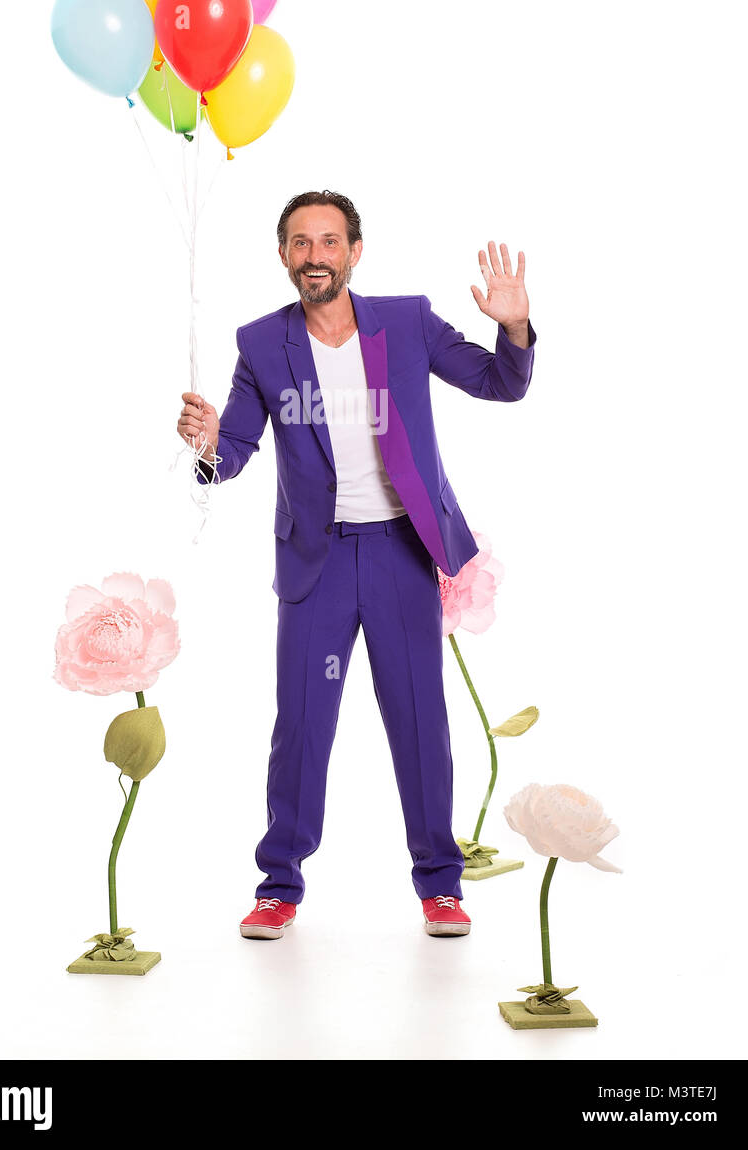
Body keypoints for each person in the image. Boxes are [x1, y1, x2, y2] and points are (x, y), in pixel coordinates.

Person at [177, 190, 536, 939]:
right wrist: (209, 439)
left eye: (329, 242)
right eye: (301, 243)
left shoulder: (404, 323)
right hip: (318, 564)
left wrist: (514, 329)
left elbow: (501, 383)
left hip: (402, 553)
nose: (315, 256)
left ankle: (440, 884)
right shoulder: (260, 344)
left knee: (418, 721)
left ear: (354, 252)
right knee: (302, 726)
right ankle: (279, 886)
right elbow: (231, 455)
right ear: (284, 256)